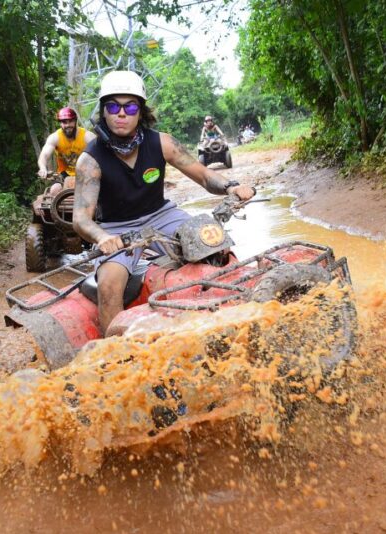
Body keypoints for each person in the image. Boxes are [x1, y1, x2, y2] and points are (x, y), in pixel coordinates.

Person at [73, 71, 255, 336]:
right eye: (113, 106)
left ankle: (237, 308)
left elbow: (204, 175)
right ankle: (116, 352)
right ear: (103, 111)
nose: (121, 113)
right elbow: (81, 218)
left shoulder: (163, 143)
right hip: (116, 228)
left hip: (162, 215)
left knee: (211, 241)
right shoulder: (90, 160)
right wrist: (102, 237)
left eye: (130, 106)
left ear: (140, 111)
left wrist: (231, 186)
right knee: (110, 284)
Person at [37, 107, 96, 194]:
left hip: (86, 173)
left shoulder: (87, 136)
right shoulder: (55, 137)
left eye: (70, 121)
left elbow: (101, 154)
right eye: (64, 122)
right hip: (64, 173)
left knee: (95, 192)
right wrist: (42, 168)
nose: (68, 125)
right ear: (60, 123)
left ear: (75, 121)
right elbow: (44, 155)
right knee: (54, 190)